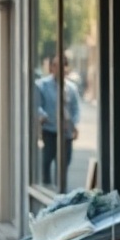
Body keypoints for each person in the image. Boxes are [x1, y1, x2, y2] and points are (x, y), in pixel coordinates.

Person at [35, 55, 80, 186]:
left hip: (66, 131)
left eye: (62, 66)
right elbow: (36, 104)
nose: (58, 68)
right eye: (55, 65)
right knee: (47, 158)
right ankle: (47, 184)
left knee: (65, 161)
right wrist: (42, 116)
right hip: (50, 129)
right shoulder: (42, 85)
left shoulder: (71, 88)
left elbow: (75, 108)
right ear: (51, 68)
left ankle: (60, 186)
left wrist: (74, 124)